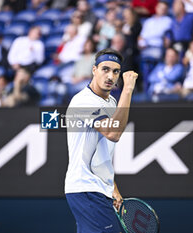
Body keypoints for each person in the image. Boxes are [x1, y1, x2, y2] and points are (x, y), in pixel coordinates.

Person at [65, 48, 138, 232]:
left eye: (115, 72)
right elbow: (113, 133)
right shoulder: (83, 101)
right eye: (105, 69)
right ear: (94, 70)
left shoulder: (112, 102)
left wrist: (112, 187)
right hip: (86, 188)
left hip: (98, 189)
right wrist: (128, 89)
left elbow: (103, 152)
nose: (110, 76)